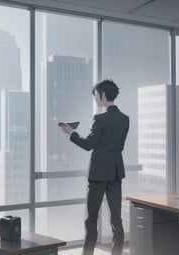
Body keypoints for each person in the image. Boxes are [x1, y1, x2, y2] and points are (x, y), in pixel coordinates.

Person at [60, 79, 129, 255]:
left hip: (98, 174)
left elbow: (88, 144)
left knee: (91, 219)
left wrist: (71, 133)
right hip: (115, 172)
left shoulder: (100, 118)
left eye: (95, 96)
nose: (95, 99)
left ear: (103, 95)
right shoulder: (125, 119)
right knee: (116, 218)